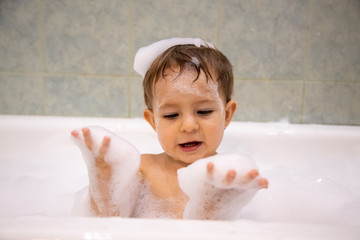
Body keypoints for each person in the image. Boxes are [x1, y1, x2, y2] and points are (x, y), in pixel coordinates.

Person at [71, 38, 268, 220]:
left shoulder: (227, 177)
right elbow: (106, 225)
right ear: (153, 121)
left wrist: (223, 200)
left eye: (204, 111)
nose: (189, 126)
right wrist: (104, 181)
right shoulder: (142, 170)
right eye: (171, 115)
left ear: (227, 115)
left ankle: (211, 211)